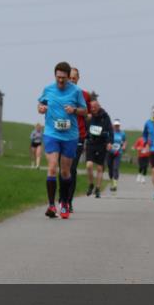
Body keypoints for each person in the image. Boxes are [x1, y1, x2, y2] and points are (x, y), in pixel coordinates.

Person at [37, 62, 88, 219]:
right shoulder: (48, 89)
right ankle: (51, 206)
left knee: (65, 171)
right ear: (55, 75)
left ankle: (64, 202)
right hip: (52, 133)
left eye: (64, 78)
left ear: (68, 77)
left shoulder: (76, 91)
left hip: (70, 136)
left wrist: (74, 110)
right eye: (58, 77)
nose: (60, 80)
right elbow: (40, 104)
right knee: (52, 167)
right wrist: (41, 109)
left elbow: (85, 111)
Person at [67, 67, 91, 212]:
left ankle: (68, 201)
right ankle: (63, 198)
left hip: (78, 135)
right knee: (63, 169)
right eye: (69, 78)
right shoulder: (60, 93)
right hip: (63, 135)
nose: (71, 80)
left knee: (72, 168)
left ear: (78, 79)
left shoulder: (85, 95)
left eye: (74, 78)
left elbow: (89, 114)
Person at [84, 94, 113, 199]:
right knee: (89, 165)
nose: (93, 109)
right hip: (91, 143)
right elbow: (84, 128)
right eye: (91, 107)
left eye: (95, 107)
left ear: (99, 106)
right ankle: (91, 184)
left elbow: (110, 130)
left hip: (101, 143)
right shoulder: (88, 116)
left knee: (100, 168)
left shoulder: (105, 116)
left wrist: (110, 142)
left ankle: (98, 189)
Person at [108, 119, 126, 192]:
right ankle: (111, 182)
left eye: (118, 125)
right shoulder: (110, 132)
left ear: (119, 126)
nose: (116, 127)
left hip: (118, 152)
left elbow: (124, 141)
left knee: (115, 168)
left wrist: (124, 146)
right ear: (113, 125)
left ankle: (115, 185)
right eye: (115, 125)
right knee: (110, 168)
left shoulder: (122, 133)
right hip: (110, 152)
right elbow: (107, 141)